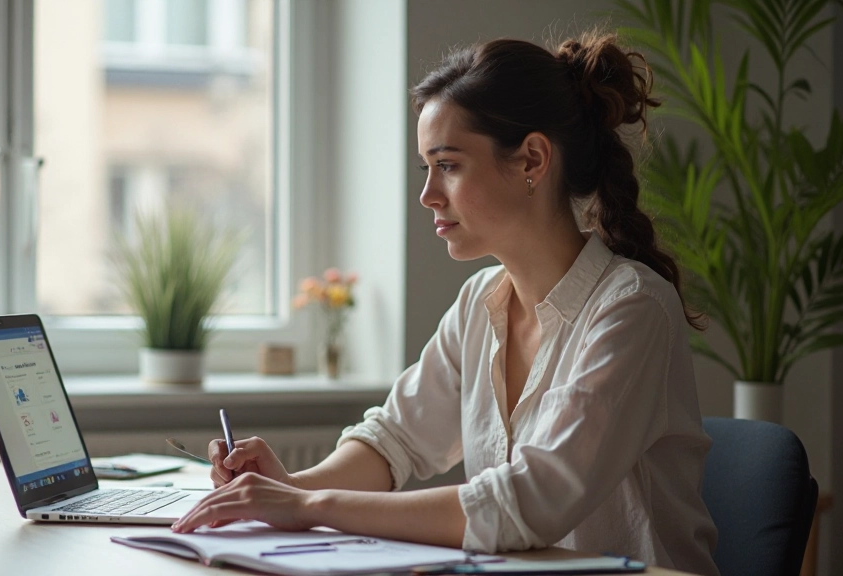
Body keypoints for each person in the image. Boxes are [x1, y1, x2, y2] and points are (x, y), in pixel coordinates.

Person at [172, 30, 720, 576]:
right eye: (426, 168)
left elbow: (529, 504)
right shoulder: (480, 301)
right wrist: (289, 487)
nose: (427, 194)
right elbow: (394, 442)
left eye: (449, 165)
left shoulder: (631, 309)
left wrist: (310, 507)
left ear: (532, 159)